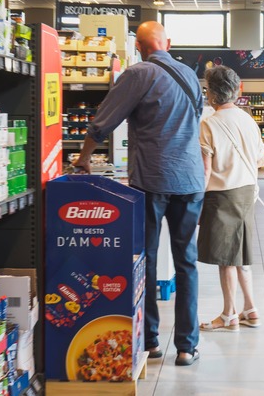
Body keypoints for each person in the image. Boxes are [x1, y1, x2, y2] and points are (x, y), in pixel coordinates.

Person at [72, 21, 204, 367]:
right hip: (190, 180)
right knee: (186, 263)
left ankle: (150, 341)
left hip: (152, 180)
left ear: (140, 47)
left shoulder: (138, 74)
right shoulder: (190, 75)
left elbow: (103, 123)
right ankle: (187, 347)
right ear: (167, 43)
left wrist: (84, 158)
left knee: (146, 259)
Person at [198, 66, 264, 331]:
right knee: (241, 253)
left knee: (225, 258)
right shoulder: (249, 120)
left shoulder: (209, 124)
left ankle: (229, 315)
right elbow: (261, 161)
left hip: (221, 195)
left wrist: (195, 202)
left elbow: (206, 170)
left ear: (211, 93)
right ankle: (251, 308)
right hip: (247, 192)